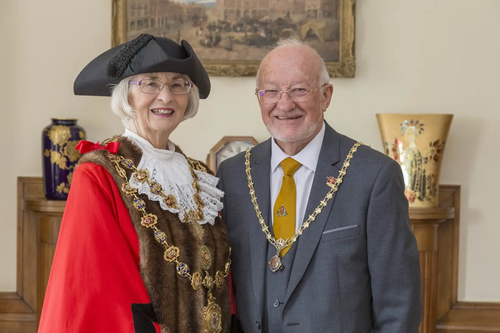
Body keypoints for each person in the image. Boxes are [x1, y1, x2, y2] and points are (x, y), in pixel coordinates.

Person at [217, 39, 423, 332]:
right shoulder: (234, 173)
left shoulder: (374, 175)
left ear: (326, 96)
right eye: (271, 91)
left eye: (299, 90)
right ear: (259, 98)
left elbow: (399, 304)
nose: (284, 104)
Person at [38, 34, 232, 333]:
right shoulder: (99, 174)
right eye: (150, 83)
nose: (166, 97)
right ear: (125, 95)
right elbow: (100, 289)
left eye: (178, 84)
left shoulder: (199, 176)